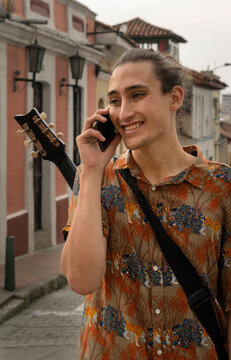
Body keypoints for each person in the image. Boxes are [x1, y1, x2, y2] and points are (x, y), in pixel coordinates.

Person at [61, 48, 231, 359]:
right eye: (114, 100)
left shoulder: (221, 188)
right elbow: (82, 279)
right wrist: (93, 171)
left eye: (137, 95)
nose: (123, 113)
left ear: (174, 98)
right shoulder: (96, 180)